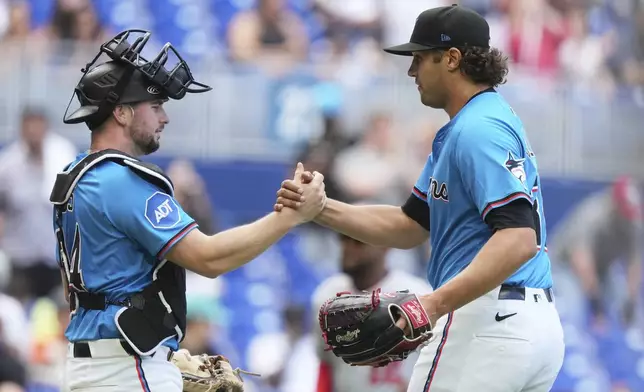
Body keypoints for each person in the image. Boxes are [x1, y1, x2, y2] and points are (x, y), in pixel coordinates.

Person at [275, 5, 565, 392]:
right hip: (525, 326)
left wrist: (433, 304)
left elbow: (518, 239)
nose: (412, 72)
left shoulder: (476, 130)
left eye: (419, 58)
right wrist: (322, 209)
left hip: (485, 322)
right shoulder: (473, 124)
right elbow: (411, 225)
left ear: (452, 58)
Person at [50, 29, 326, 392]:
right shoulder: (120, 181)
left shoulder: (77, 173)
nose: (163, 117)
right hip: (126, 370)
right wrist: (290, 216)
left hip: (93, 365)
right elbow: (208, 259)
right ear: (120, 112)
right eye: (155, 105)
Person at [312, 229, 432, 392]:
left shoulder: (416, 294)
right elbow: (326, 366)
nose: (348, 247)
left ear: (386, 245)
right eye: (344, 239)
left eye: (358, 241)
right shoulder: (327, 295)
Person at [549, 175, 642, 328]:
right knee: (574, 304)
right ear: (615, 203)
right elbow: (580, 258)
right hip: (565, 265)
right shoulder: (593, 214)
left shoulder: (633, 219)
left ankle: (624, 347)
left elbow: (634, 263)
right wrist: (596, 302)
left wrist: (630, 301)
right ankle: (574, 348)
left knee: (625, 304)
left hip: (602, 267)